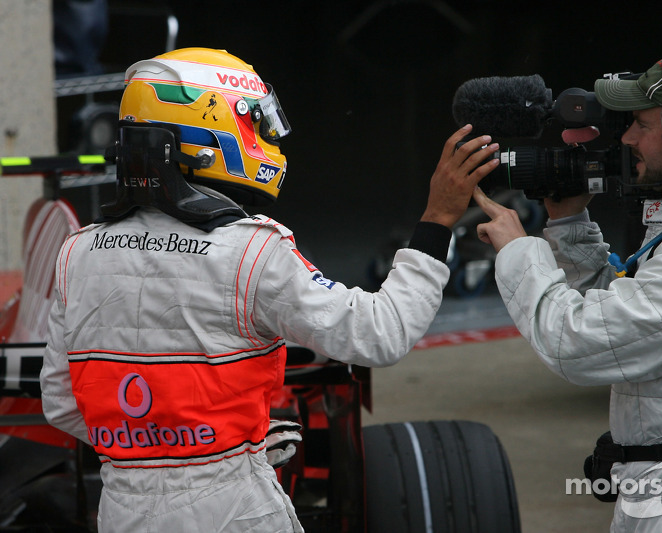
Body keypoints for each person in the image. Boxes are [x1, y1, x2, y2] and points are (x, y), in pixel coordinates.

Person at [39, 47, 499, 532]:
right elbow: (380, 333)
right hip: (233, 510)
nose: (266, 137)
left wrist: (160, 446)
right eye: (255, 122)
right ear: (211, 130)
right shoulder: (252, 251)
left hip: (121, 513)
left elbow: (61, 400)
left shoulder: (77, 253)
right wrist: (439, 218)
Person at [473, 51, 662, 531]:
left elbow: (578, 342)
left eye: (640, 124)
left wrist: (518, 251)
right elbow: (617, 318)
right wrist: (568, 223)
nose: (626, 138)